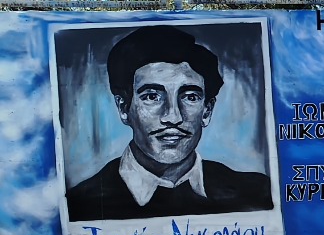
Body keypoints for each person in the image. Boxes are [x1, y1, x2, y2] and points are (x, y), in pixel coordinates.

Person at [66, 25, 273, 221]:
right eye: (152, 96)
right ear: (123, 108)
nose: (173, 117)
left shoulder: (256, 194)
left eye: (190, 97)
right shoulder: (80, 204)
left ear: (207, 111)